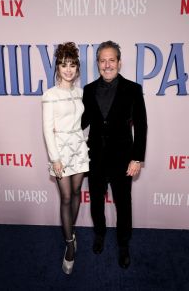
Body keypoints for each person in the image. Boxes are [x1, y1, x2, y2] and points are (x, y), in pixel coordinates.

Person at [81, 41, 147, 269]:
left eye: (111, 60)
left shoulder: (133, 89)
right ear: (97, 63)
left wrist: (137, 158)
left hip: (123, 159)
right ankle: (99, 234)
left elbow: (141, 125)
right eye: (102, 60)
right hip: (95, 158)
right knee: (96, 203)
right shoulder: (88, 90)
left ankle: (123, 243)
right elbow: (82, 122)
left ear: (119, 62)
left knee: (123, 204)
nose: (107, 65)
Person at [42, 42, 89, 274]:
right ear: (57, 68)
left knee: (77, 192)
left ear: (77, 68)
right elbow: (47, 129)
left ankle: (72, 231)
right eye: (63, 65)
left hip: (79, 150)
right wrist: (55, 158)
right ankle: (70, 245)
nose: (68, 69)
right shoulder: (50, 95)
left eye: (72, 65)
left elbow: (86, 122)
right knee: (66, 197)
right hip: (60, 151)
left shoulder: (81, 93)